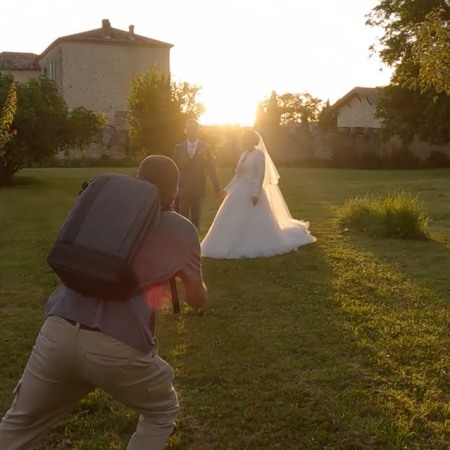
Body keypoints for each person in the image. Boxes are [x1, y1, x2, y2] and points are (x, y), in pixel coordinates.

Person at [0, 155, 207, 450]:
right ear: (174, 191)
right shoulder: (182, 228)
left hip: (57, 330)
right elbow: (196, 299)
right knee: (161, 410)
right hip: (119, 347)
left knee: (18, 426)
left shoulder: (104, 207)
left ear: (138, 179)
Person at [201, 129, 316, 259]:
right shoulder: (243, 154)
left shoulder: (259, 154)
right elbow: (237, 176)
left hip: (252, 191)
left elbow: (261, 175)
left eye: (246, 138)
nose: (243, 141)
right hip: (239, 191)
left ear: (252, 140)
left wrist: (255, 193)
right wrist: (226, 190)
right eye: (242, 138)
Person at [172, 118, 221, 229]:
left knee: (196, 219)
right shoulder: (178, 148)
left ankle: (195, 243)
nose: (191, 131)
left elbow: (211, 169)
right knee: (182, 219)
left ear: (197, 130)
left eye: (193, 128)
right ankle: (183, 243)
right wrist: (172, 189)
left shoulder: (206, 148)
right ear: (185, 130)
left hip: (198, 189)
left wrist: (217, 188)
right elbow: (174, 170)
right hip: (183, 190)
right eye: (188, 129)